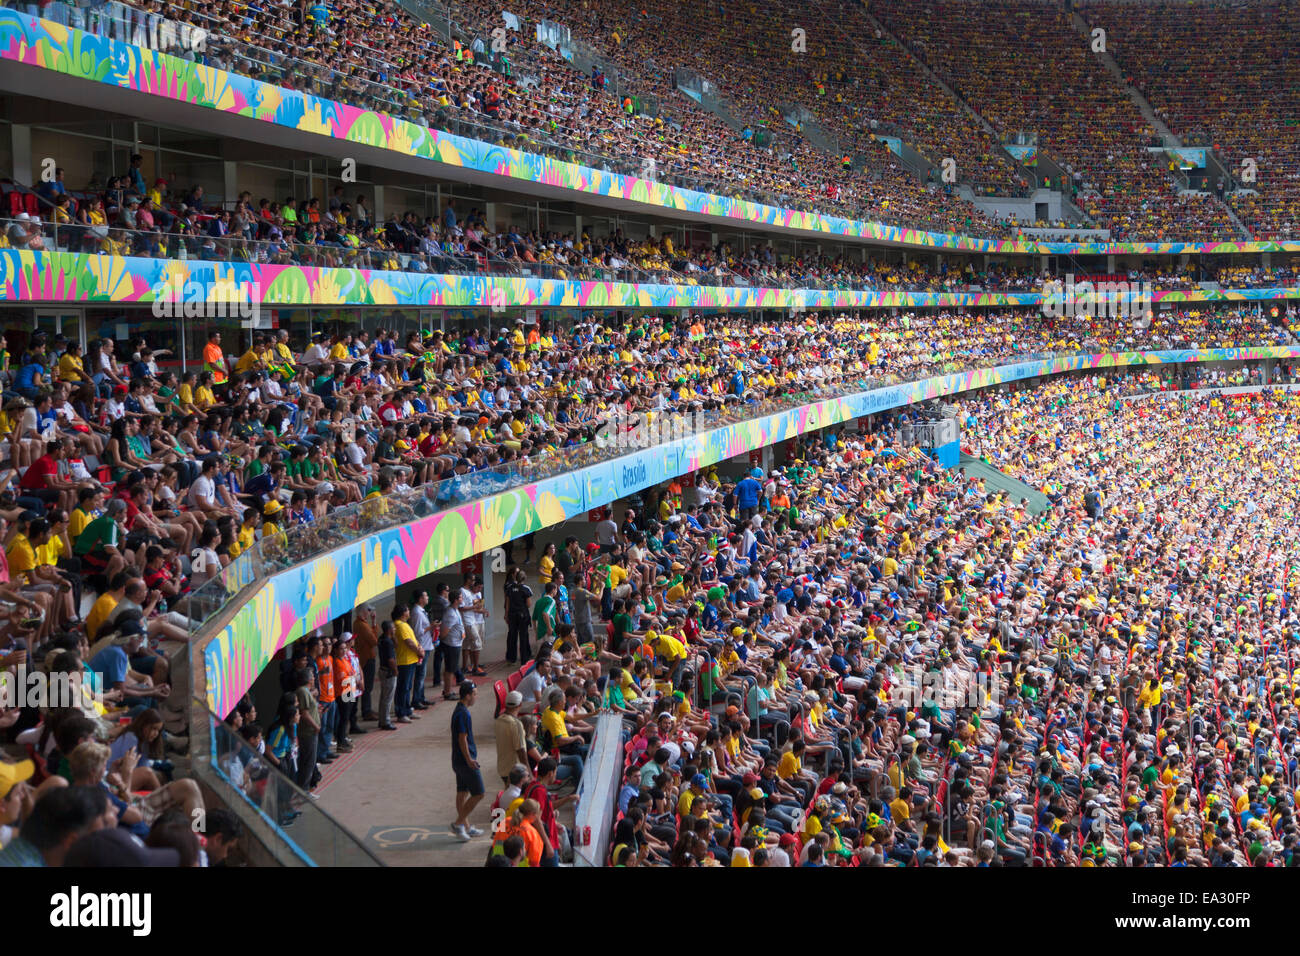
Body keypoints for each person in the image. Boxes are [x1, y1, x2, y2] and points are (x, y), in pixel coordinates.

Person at [450, 680, 484, 841]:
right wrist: (470, 759)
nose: (476, 697)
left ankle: (466, 826)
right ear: (468, 695)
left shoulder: (460, 710)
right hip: (465, 761)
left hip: (458, 760)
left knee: (462, 792)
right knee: (479, 793)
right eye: (475, 694)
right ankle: (458, 824)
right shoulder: (463, 713)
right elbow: (462, 738)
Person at [392, 603, 422, 723]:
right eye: (408, 610)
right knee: (403, 687)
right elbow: (409, 642)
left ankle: (407, 709)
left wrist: (419, 647)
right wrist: (419, 651)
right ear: (403, 613)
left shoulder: (404, 625)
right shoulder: (400, 625)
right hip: (404, 661)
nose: (409, 612)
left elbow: (413, 640)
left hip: (410, 660)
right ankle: (401, 712)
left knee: (407, 686)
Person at [494, 690, 528, 786]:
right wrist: (528, 773)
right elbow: (521, 751)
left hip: (502, 768)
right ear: (520, 704)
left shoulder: (499, 720)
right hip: (514, 771)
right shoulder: (516, 724)